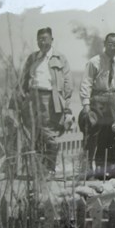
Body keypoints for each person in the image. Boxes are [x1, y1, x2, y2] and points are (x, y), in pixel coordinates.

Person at [18, 27, 73, 175]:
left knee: (49, 133)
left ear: (52, 40)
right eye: (40, 39)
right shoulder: (33, 58)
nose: (43, 42)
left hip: (50, 99)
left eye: (46, 39)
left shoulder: (60, 58)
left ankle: (50, 169)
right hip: (32, 98)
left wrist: (66, 106)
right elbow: (23, 80)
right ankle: (38, 170)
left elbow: (67, 82)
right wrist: (20, 99)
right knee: (34, 133)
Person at [79, 33, 115, 173]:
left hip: (112, 101)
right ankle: (86, 169)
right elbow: (86, 83)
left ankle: (101, 169)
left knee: (109, 136)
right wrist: (86, 105)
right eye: (110, 44)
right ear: (105, 44)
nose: (112, 47)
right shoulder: (94, 61)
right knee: (92, 135)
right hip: (97, 101)